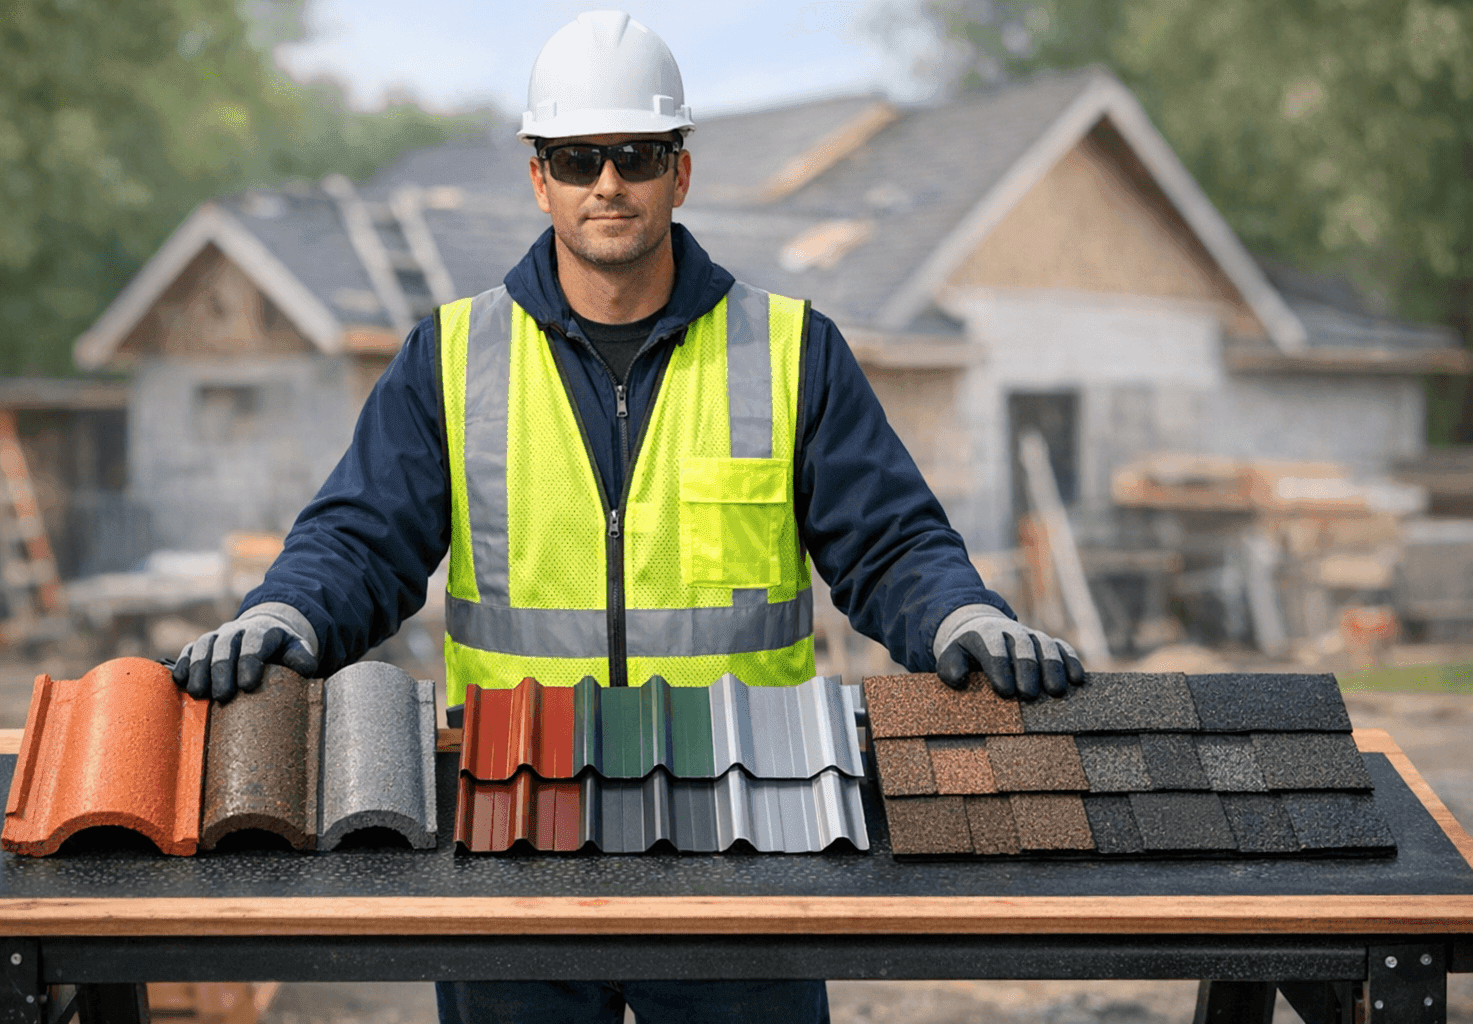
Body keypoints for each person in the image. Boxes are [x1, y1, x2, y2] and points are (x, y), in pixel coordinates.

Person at [173, 11, 1085, 1024]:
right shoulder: (453, 355)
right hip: (514, 827)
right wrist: (288, 613)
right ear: (540, 179)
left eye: (636, 155)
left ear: (678, 173)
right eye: (578, 158)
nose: (607, 182)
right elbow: (359, 538)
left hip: (746, 832)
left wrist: (961, 615)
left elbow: (892, 539)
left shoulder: (790, 349)